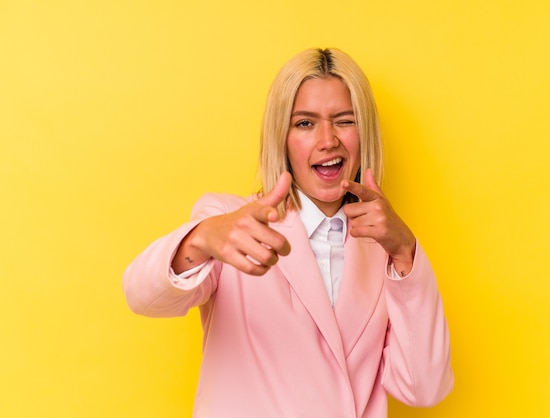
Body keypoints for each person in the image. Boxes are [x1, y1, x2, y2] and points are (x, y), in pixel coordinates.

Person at [123, 47, 453, 417]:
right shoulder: (231, 222)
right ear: (282, 137)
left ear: (365, 134)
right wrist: (202, 239)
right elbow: (143, 297)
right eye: (305, 123)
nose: (328, 140)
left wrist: (405, 251)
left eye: (344, 121)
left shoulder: (385, 253)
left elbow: (424, 388)